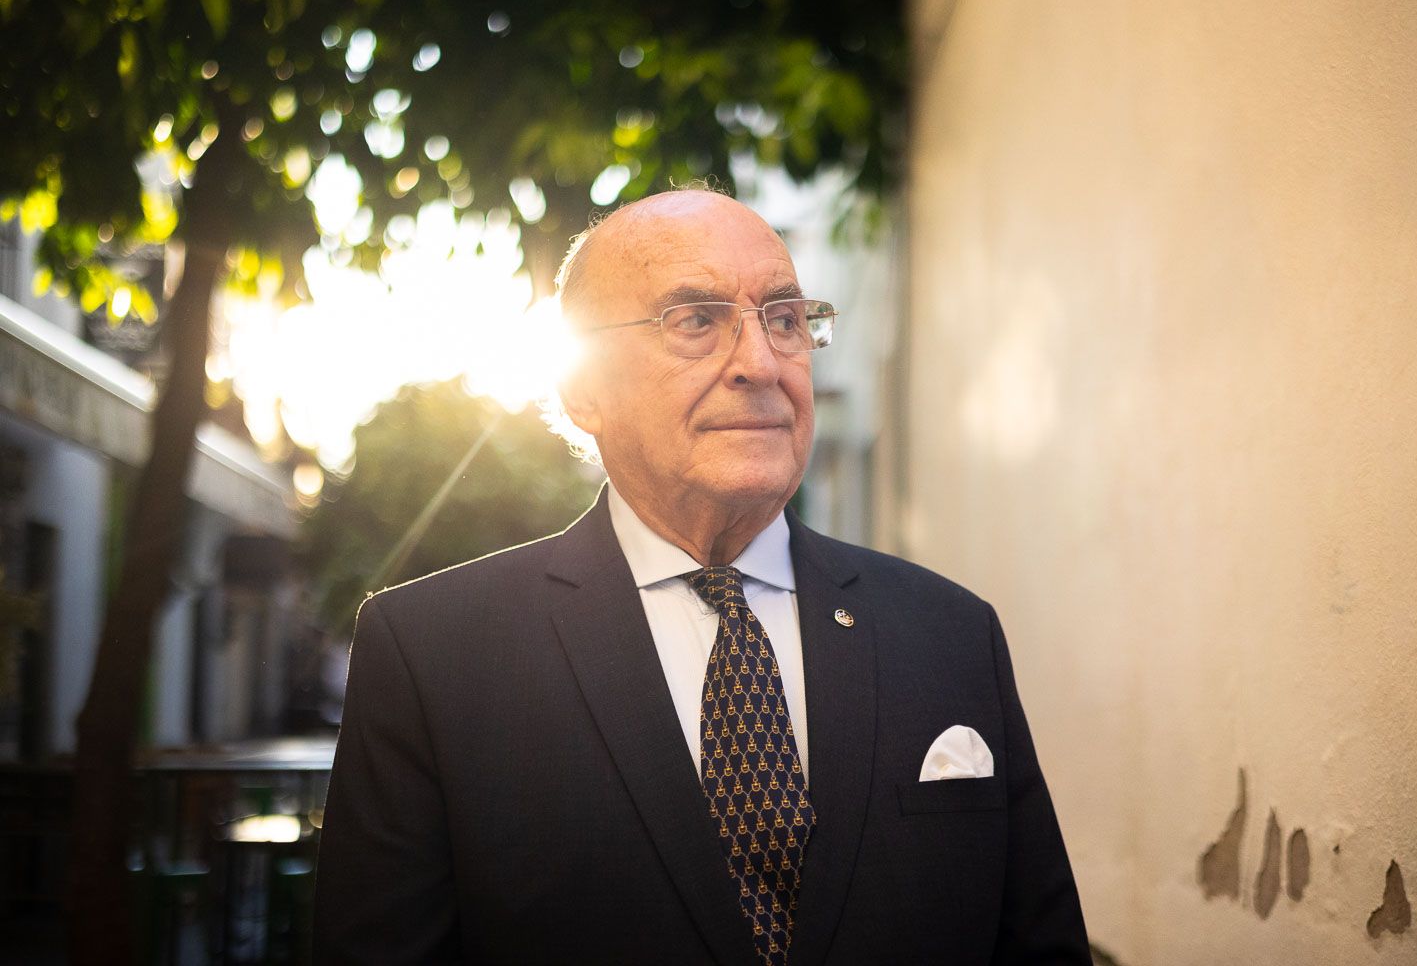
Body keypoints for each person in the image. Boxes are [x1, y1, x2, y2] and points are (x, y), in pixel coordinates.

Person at [313, 189, 1090, 964]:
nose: (759, 363)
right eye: (696, 321)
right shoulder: (434, 655)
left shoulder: (951, 634)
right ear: (583, 386)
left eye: (784, 320)